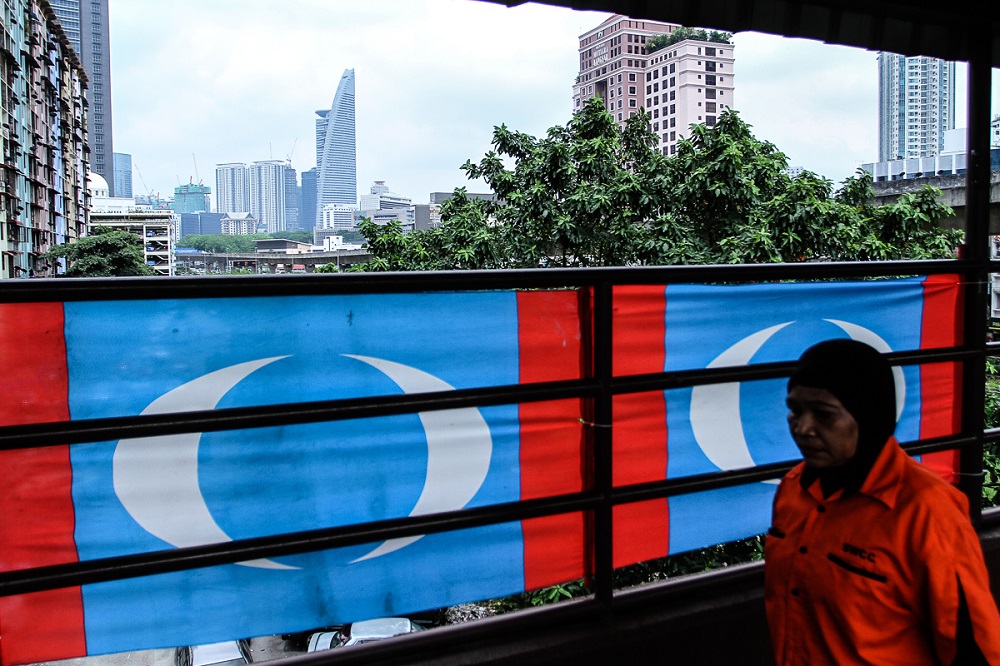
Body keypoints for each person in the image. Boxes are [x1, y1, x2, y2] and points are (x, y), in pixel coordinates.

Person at [765, 339, 1000, 665]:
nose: (803, 428)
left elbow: (972, 649)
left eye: (824, 415)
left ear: (868, 418)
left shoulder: (927, 513)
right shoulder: (794, 490)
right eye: (795, 410)